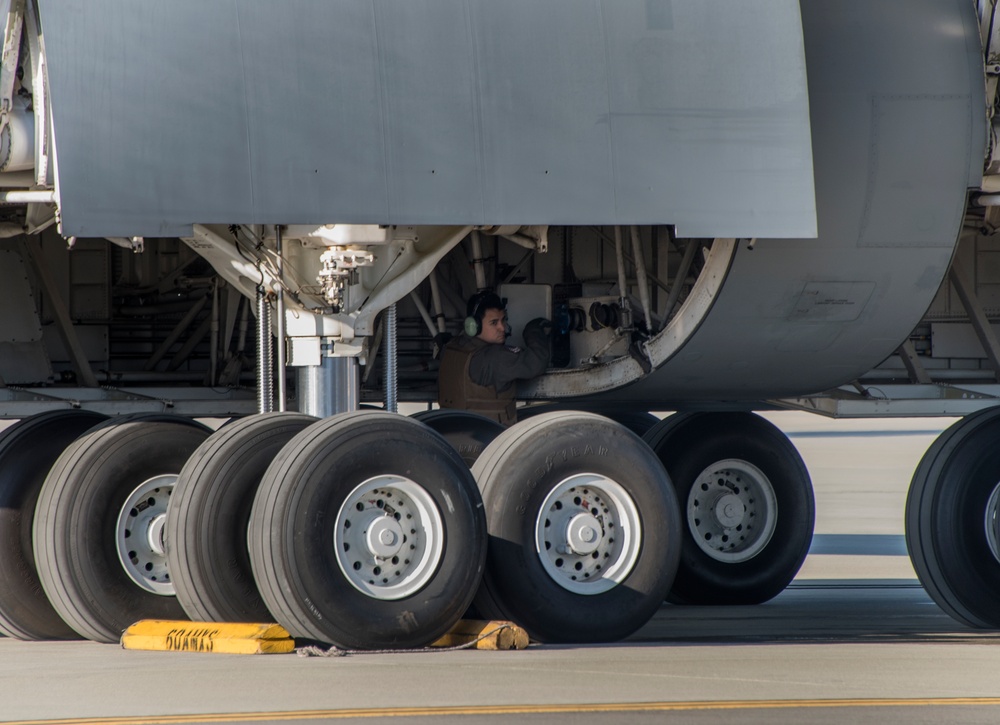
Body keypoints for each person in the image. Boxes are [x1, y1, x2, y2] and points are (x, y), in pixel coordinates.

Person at [438, 290, 551, 426]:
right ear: (474, 326)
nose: (502, 328)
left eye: (503, 320)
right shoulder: (495, 357)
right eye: (493, 323)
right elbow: (537, 361)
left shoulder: (450, 348)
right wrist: (533, 329)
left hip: (453, 434)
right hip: (489, 439)